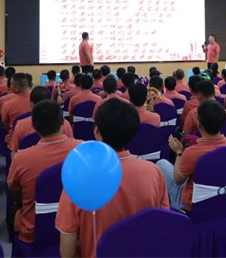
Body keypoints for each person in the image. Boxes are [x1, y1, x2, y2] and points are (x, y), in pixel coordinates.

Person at [57, 99, 168, 258]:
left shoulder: (77, 178)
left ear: (96, 131)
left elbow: (67, 252)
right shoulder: (154, 172)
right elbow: (161, 225)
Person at [8, 100, 82, 245]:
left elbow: (15, 192)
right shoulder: (83, 151)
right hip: (77, 229)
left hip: (34, 230)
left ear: (34, 126)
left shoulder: (21, 159)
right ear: (63, 122)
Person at [158, 101, 226, 211]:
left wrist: (179, 152)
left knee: (161, 164)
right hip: (225, 198)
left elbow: (178, 180)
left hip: (194, 204)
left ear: (199, 125)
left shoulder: (192, 152)